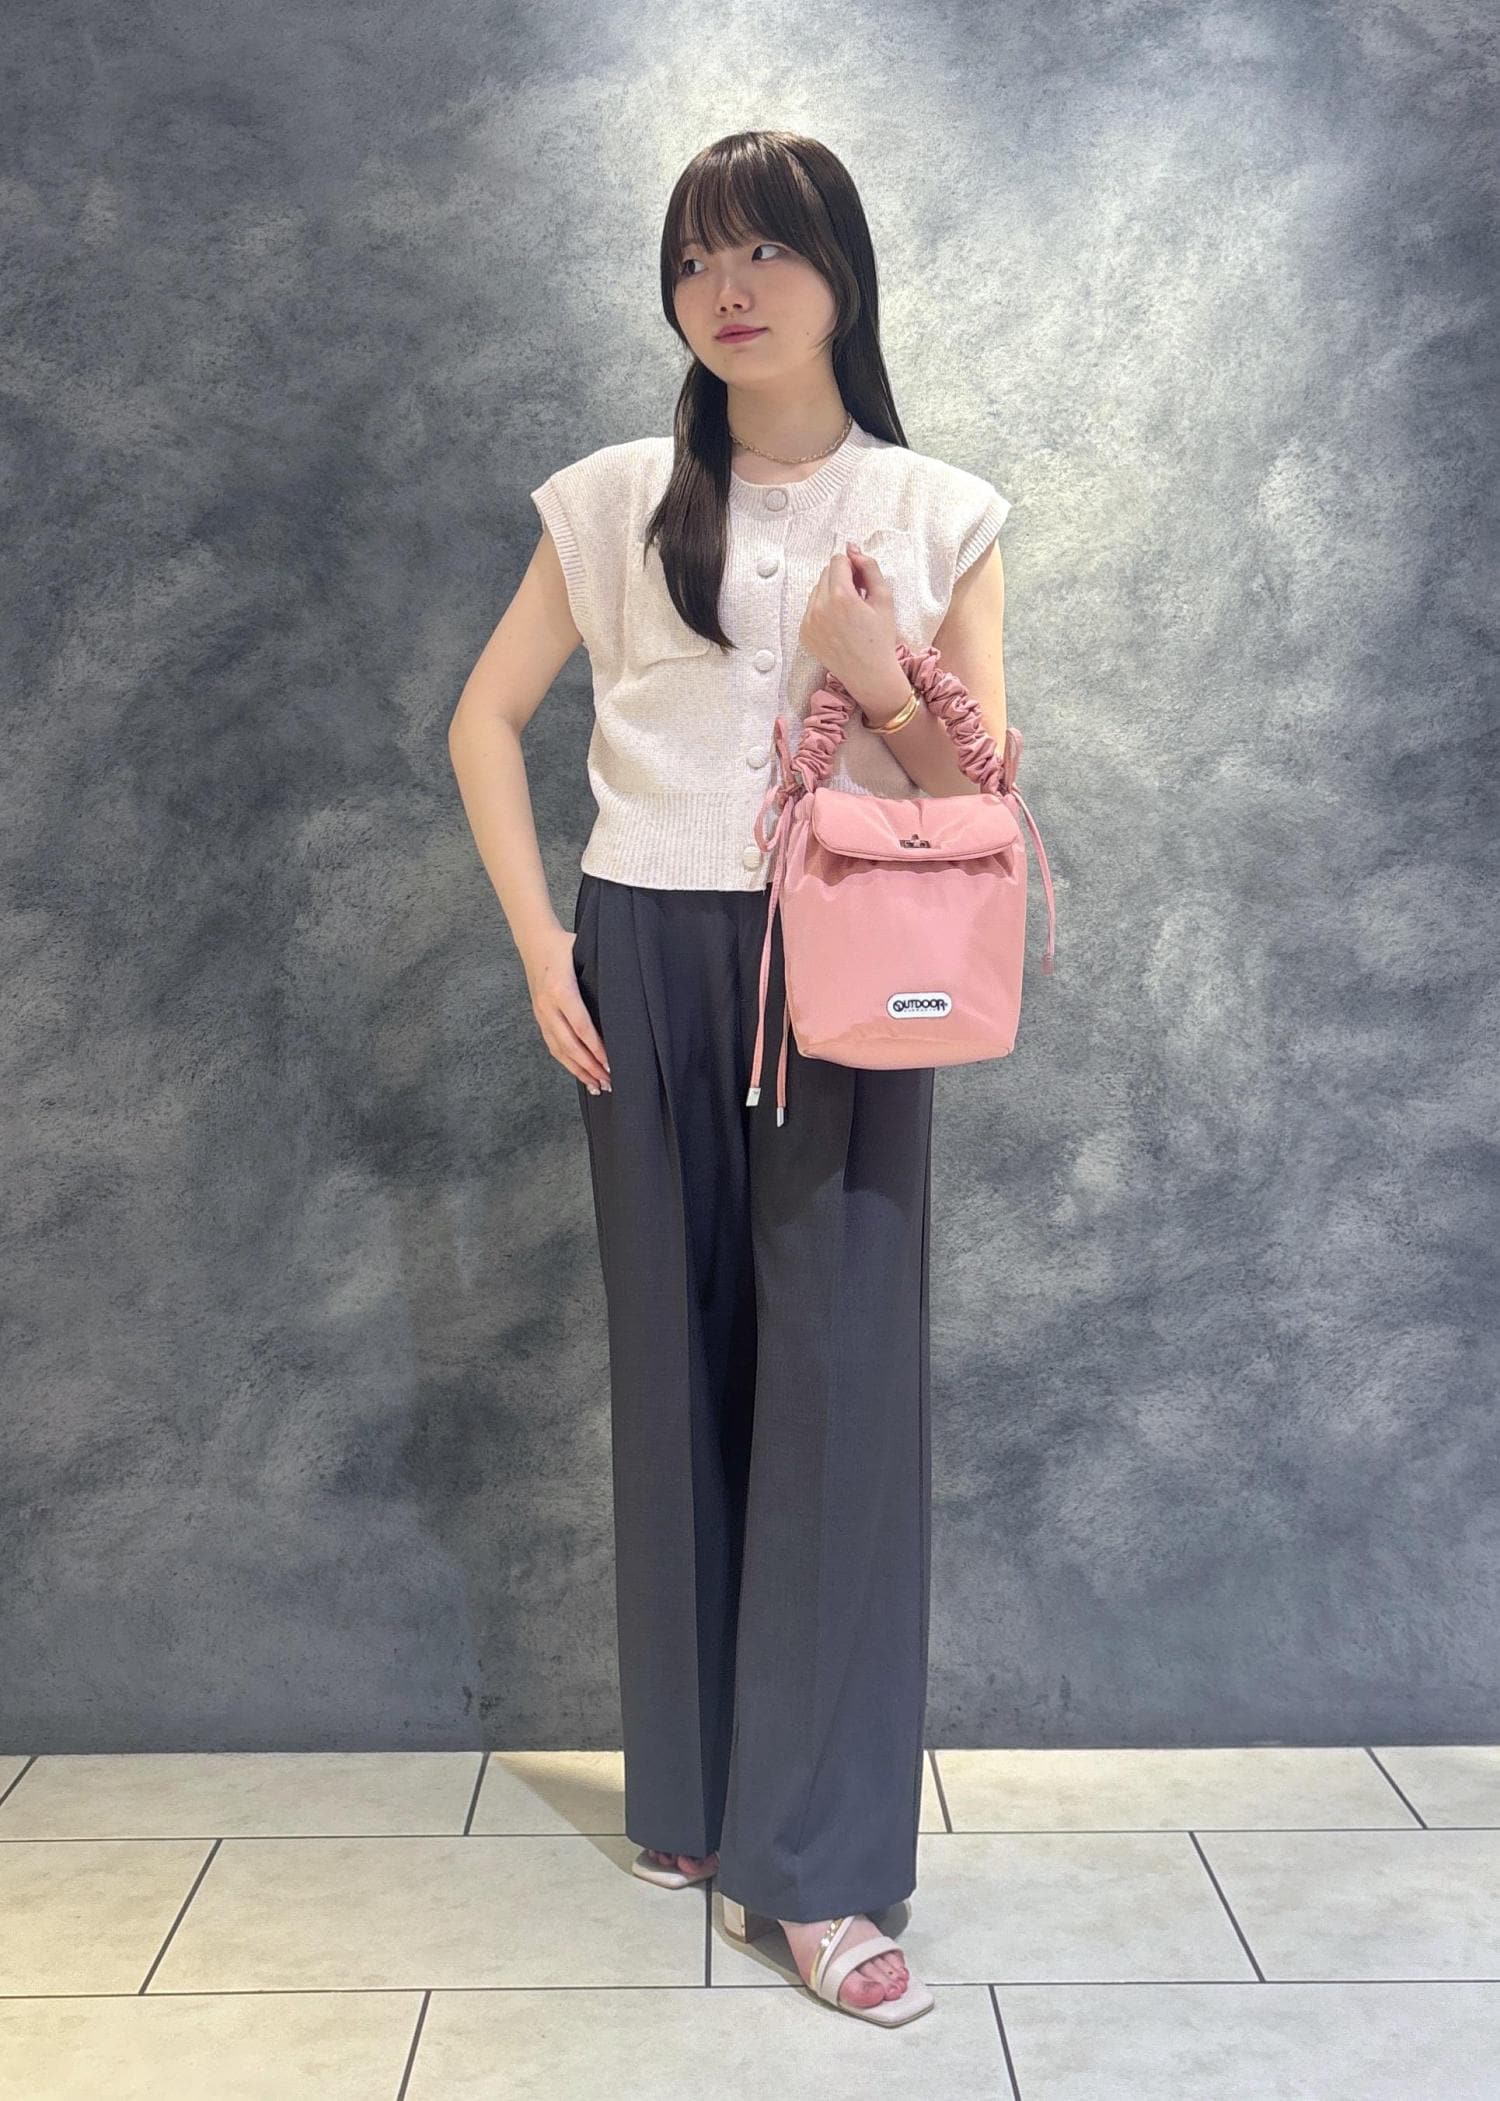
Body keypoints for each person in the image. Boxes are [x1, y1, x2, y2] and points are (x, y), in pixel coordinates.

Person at [448, 128, 1012, 2028]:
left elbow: (981, 800)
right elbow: (483, 720)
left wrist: (878, 664)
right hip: (643, 952)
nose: (729, 289)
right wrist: (544, 944)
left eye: (767, 250)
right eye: (697, 258)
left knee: (836, 1397)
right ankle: (693, 1794)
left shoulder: (937, 511)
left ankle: (819, 1866)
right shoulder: (618, 496)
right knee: (674, 1368)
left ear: (844, 272)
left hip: (842, 968)